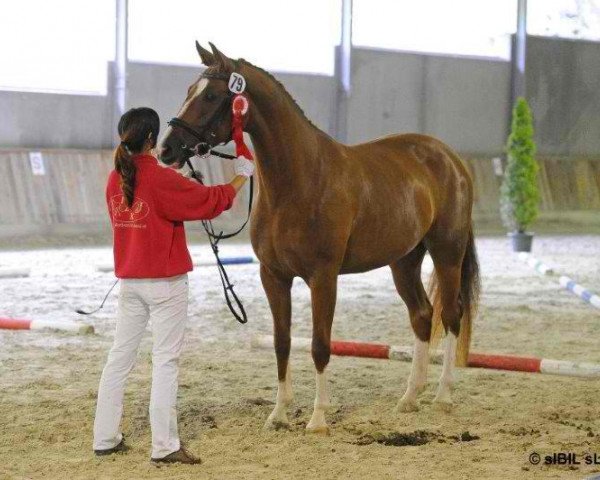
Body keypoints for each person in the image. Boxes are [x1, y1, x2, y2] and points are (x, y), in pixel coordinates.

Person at [93, 107, 254, 464]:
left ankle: (104, 437)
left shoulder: (114, 178)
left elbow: (148, 200)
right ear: (152, 139)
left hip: (130, 282)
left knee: (119, 359)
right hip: (165, 284)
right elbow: (211, 202)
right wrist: (240, 176)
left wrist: (173, 178)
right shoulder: (162, 180)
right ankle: (164, 446)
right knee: (165, 362)